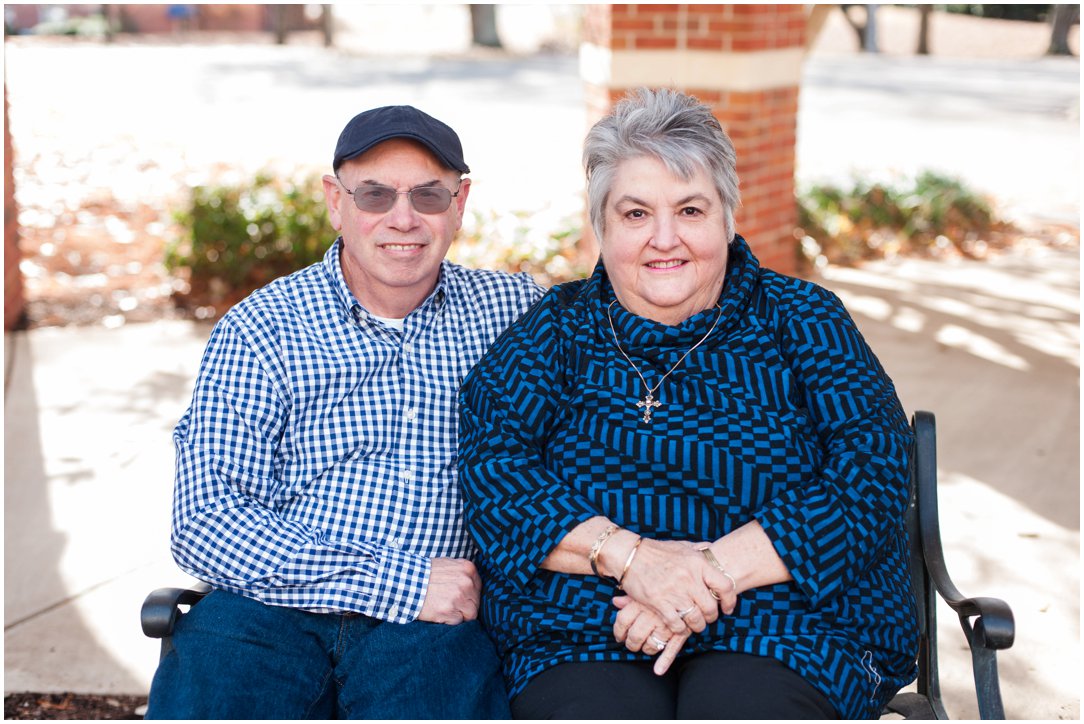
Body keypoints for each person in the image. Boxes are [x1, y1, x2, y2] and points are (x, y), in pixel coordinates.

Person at [458, 87, 919, 720]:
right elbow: (495, 474)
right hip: (587, 629)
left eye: (691, 210)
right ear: (601, 227)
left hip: (789, 627)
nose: (665, 239)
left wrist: (702, 576)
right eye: (636, 214)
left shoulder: (803, 320)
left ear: (728, 218)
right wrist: (636, 562)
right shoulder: (553, 333)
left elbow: (874, 472)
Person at [146, 105, 544, 719]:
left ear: (460, 203)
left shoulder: (516, 313)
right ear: (336, 201)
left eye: (429, 195)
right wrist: (401, 584)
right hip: (270, 607)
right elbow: (206, 520)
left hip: (434, 629)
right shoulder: (263, 328)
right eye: (375, 195)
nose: (403, 218)